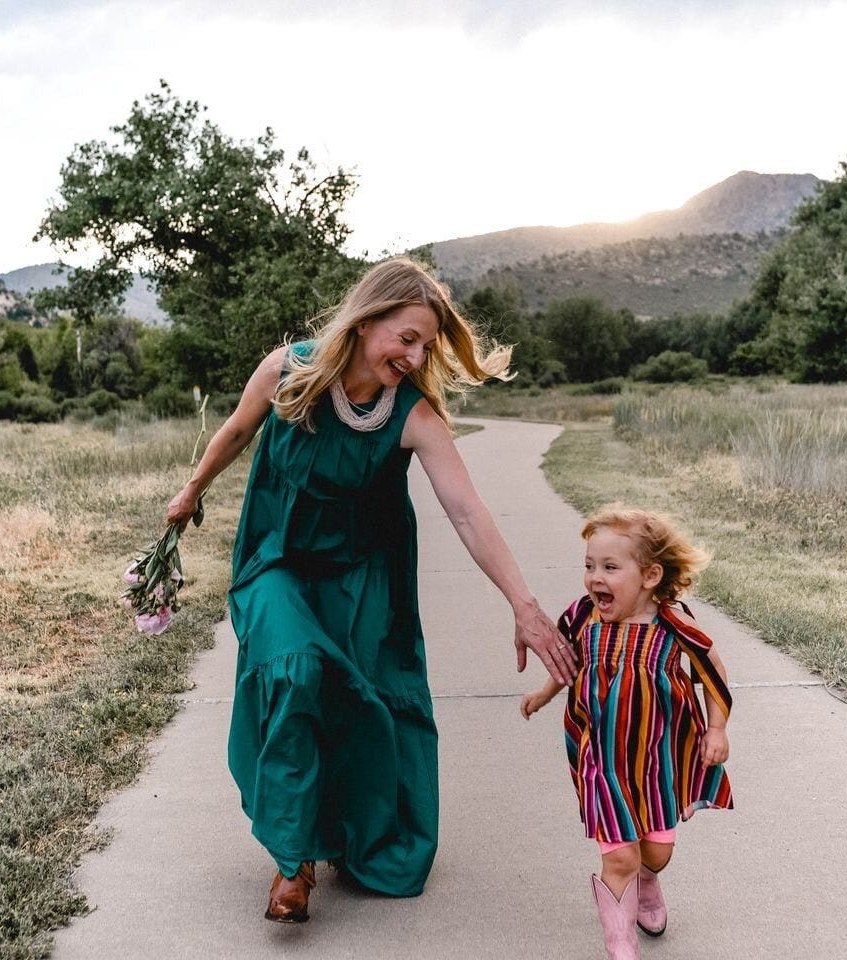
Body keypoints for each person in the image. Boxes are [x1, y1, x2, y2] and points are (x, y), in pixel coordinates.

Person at [165, 257, 576, 924]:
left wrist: (523, 604)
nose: (414, 357)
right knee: (294, 672)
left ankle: (344, 837)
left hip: (362, 576)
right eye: (404, 338)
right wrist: (191, 490)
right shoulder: (287, 371)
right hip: (277, 560)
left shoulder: (411, 415)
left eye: (425, 345)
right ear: (364, 323)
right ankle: (292, 861)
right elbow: (238, 429)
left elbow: (468, 512)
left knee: (360, 703)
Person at [521, 505, 733, 960]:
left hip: (656, 761)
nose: (595, 577)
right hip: (600, 758)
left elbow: (713, 674)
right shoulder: (583, 618)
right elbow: (567, 664)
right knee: (619, 857)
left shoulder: (673, 627)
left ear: (651, 575)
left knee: (654, 853)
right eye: (589, 565)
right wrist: (544, 693)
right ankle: (620, 942)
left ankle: (648, 881)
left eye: (610, 567)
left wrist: (716, 728)